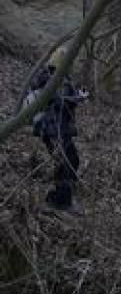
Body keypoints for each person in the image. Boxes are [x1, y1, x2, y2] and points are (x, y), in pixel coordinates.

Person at [27, 46, 88, 213]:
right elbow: (58, 101)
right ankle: (61, 202)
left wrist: (77, 97)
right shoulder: (51, 78)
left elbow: (64, 100)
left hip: (58, 128)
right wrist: (77, 98)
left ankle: (60, 194)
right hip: (53, 128)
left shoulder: (59, 77)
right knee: (65, 163)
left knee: (72, 159)